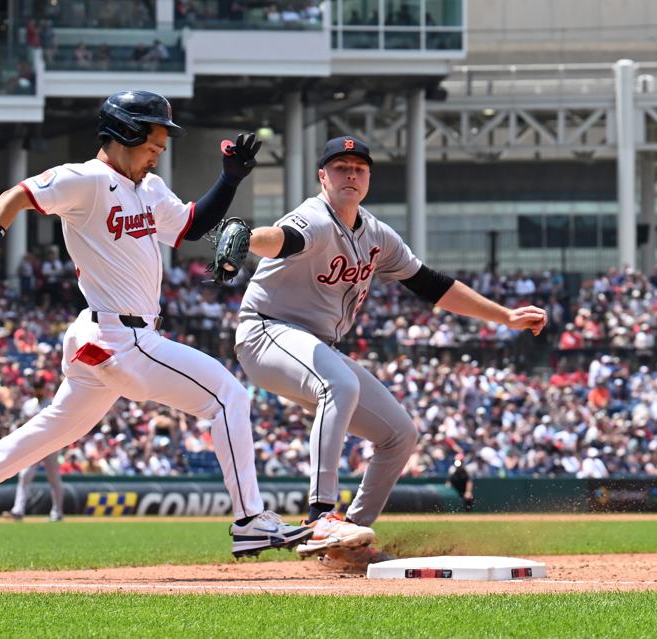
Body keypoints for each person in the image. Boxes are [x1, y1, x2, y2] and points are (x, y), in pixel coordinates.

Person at [0, 90, 311, 558]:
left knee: (57, 429)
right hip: (119, 335)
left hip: (111, 336)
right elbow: (17, 196)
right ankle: (251, 519)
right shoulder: (85, 180)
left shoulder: (148, 189)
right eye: (153, 144)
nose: (158, 154)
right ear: (126, 133)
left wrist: (229, 179)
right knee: (227, 396)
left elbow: (190, 227)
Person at [233, 135, 547, 557]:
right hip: (266, 333)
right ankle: (321, 516)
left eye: (359, 168)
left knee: (399, 434)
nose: (351, 174)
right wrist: (249, 239)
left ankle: (348, 537)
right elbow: (284, 239)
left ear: (368, 179)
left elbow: (431, 285)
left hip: (313, 346)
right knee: (339, 385)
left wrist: (505, 317)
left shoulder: (376, 234)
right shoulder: (316, 217)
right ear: (322, 177)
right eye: (341, 167)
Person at [2, 380, 65, 522]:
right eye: (36, 388)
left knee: (54, 479)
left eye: (40, 388)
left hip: (51, 445)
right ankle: (18, 511)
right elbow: (24, 424)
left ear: (44, 388)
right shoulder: (29, 405)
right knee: (24, 475)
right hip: (34, 446)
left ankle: (57, 512)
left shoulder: (53, 402)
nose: (38, 391)